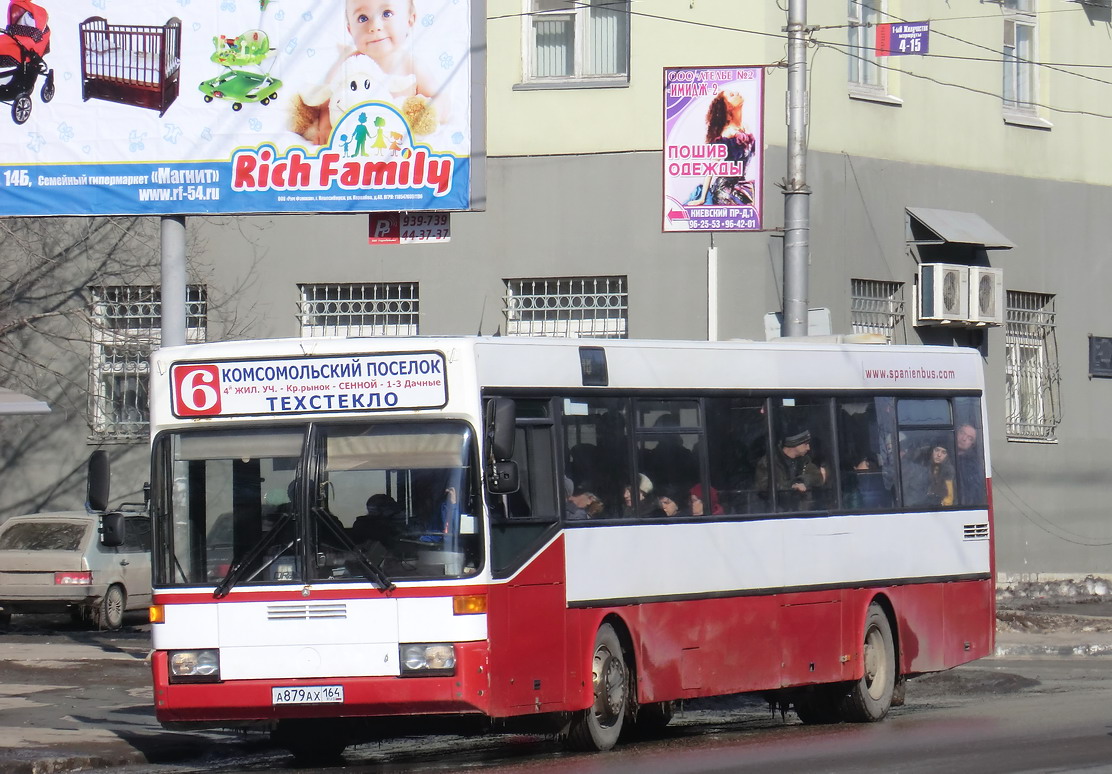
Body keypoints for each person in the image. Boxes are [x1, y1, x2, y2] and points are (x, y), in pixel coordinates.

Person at [291, 0, 442, 144]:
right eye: (362, 18)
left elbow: (441, 103)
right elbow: (327, 100)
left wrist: (421, 114)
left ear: (409, 20)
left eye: (387, 14)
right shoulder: (349, 64)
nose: (374, 26)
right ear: (350, 30)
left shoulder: (412, 67)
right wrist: (326, 127)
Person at [686, 88, 757, 207]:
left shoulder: (745, 128)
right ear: (728, 107)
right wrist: (702, 198)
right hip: (727, 191)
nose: (738, 93)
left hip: (743, 186)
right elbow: (711, 167)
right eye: (732, 94)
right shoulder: (727, 134)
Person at [754, 429, 828, 511]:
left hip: (802, 511)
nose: (808, 448)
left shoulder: (805, 460)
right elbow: (764, 488)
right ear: (795, 444)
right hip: (776, 513)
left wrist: (802, 481)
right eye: (805, 444)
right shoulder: (768, 462)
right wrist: (791, 487)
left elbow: (817, 477)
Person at [955, 424, 986, 505]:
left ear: (972, 444)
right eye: (962, 433)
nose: (964, 439)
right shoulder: (941, 453)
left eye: (970, 438)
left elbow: (974, 493)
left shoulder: (973, 466)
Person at [922, 443, 956, 507]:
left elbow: (949, 497)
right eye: (937, 450)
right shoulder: (924, 466)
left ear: (947, 455)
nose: (939, 455)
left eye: (944, 452)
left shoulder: (949, 471)